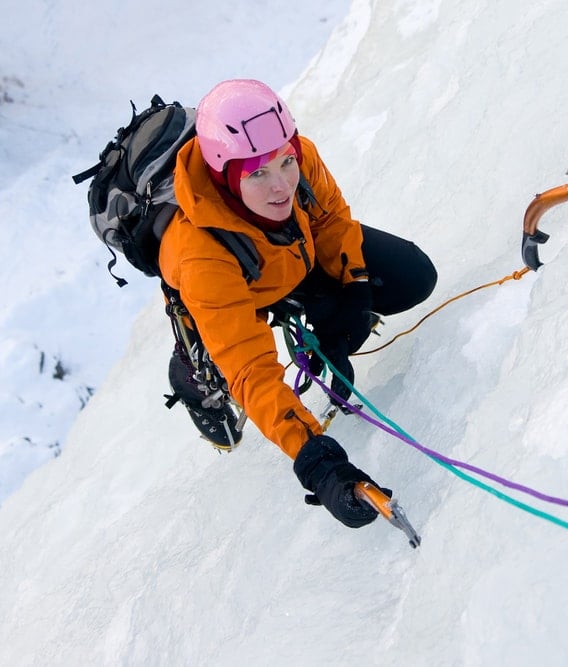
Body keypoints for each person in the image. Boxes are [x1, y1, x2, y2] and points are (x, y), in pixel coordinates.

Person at [158, 79, 437, 528]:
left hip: (289, 255)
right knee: (227, 362)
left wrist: (354, 291)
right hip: (231, 288)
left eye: (286, 163)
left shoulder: (298, 156)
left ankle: (306, 302)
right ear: (225, 175)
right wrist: (319, 462)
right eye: (256, 174)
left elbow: (331, 219)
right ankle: (191, 364)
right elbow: (253, 371)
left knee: (412, 277)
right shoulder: (200, 255)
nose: (281, 186)